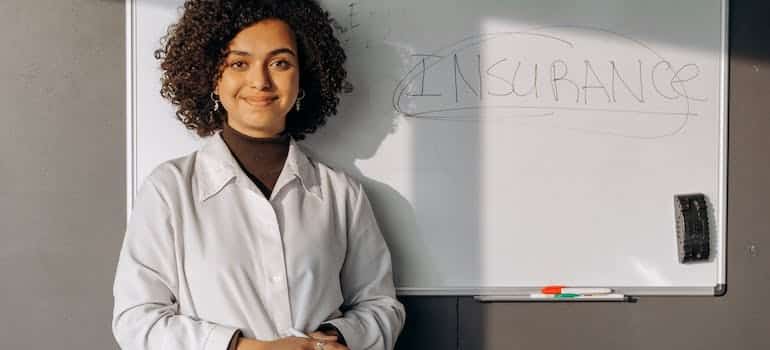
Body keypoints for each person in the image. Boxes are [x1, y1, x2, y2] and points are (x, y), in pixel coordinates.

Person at [112, 1, 405, 350]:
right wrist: (245, 348)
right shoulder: (170, 190)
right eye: (239, 63)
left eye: (280, 63)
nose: (260, 81)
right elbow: (136, 319)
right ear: (211, 76)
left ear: (304, 76)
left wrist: (336, 340)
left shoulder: (341, 193)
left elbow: (381, 305)